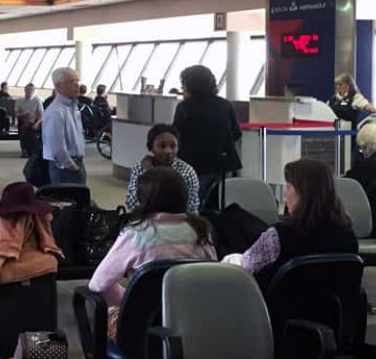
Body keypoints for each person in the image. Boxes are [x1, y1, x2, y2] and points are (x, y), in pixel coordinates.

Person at [88, 166, 217, 359]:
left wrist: (125, 301)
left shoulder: (138, 233)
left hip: (138, 332)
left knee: (103, 317)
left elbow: (98, 283)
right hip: (188, 331)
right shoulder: (200, 231)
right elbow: (211, 278)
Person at [223, 159, 358, 290]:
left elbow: (245, 268)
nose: (284, 194)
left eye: (288, 187)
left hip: (279, 310)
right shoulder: (349, 236)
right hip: (336, 311)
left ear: (304, 193)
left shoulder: (278, 236)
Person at [173, 65, 241, 207]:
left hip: (195, 165)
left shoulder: (185, 107)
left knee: (193, 205)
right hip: (224, 164)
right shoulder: (224, 105)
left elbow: (176, 137)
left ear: (189, 85)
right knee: (221, 205)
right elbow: (236, 133)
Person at [125, 123, 199, 213]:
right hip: (146, 218)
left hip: (177, 221)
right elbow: (131, 203)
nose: (168, 151)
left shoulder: (187, 172)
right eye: (162, 146)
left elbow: (189, 208)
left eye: (173, 146)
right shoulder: (140, 168)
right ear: (151, 148)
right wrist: (150, 173)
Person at [42, 67, 86, 185]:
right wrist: (71, 166)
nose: (77, 86)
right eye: (72, 82)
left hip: (77, 163)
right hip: (64, 169)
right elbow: (57, 148)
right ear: (58, 86)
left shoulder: (74, 107)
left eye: (78, 81)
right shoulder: (55, 112)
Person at [15, 83, 43, 157]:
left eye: (31, 90)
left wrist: (36, 124)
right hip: (24, 121)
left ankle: (32, 150)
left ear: (34, 91)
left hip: (34, 121)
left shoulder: (37, 100)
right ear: (25, 90)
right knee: (23, 127)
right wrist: (22, 114)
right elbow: (16, 114)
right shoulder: (20, 100)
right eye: (27, 90)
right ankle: (25, 149)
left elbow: (41, 115)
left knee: (30, 130)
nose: (29, 92)